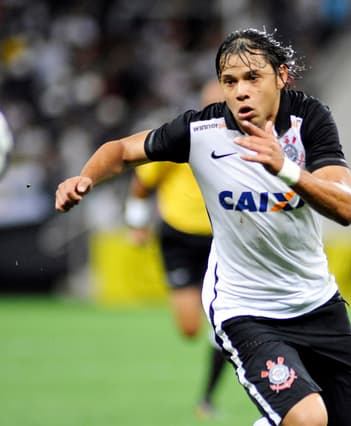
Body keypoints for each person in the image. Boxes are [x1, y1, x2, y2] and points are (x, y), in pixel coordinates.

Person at [56, 28, 351, 426]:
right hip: (246, 309)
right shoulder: (199, 131)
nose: (241, 91)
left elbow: (346, 207)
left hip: (317, 302)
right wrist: (83, 178)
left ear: (281, 76)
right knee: (308, 419)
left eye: (252, 78)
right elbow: (121, 151)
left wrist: (287, 170)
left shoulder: (308, 120)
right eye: (230, 81)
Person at [124, 79, 226, 419]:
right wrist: (136, 223)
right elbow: (142, 185)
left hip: (222, 240)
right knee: (189, 328)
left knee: (223, 321)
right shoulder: (183, 138)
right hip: (179, 238)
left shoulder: (243, 143)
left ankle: (207, 398)